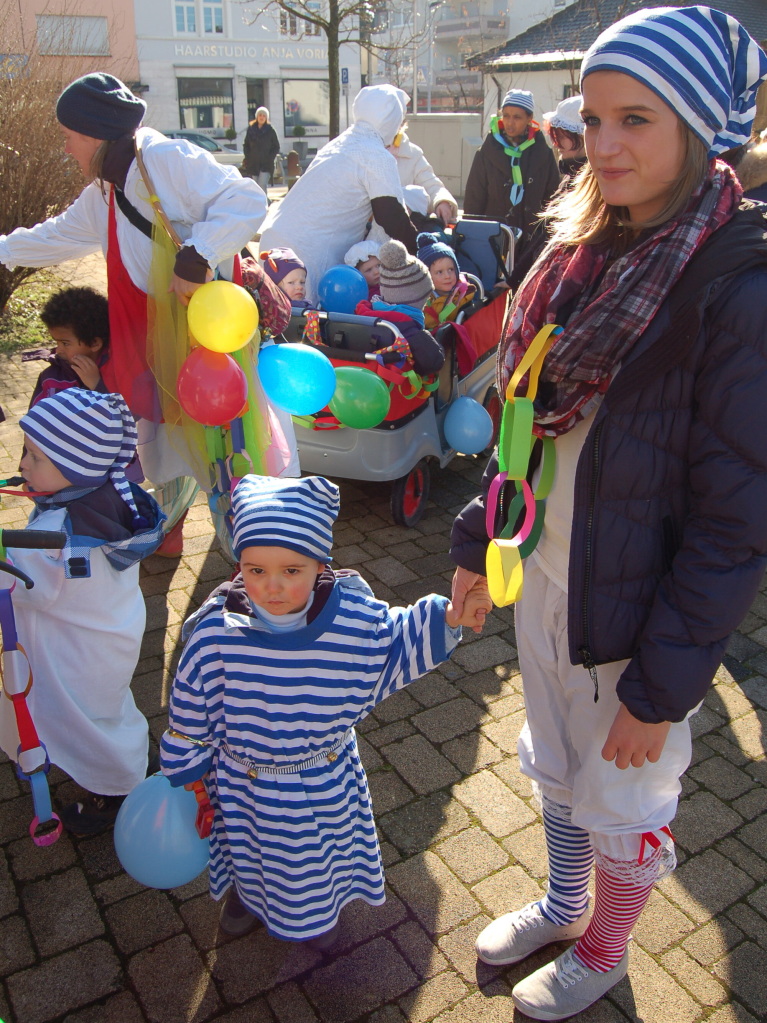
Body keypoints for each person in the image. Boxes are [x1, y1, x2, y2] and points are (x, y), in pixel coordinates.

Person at [450, 7, 767, 1019]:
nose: (604, 145)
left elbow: (733, 519)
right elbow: (520, 421)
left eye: (636, 119)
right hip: (545, 572)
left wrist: (661, 685)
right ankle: (559, 899)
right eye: (592, 119)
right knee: (551, 763)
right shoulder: (580, 246)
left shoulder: (735, 287)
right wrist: (472, 540)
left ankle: (607, 948)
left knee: (623, 792)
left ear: (698, 128)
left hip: (631, 619)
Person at [160, 474, 489, 943]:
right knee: (249, 847)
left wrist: (450, 617)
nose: (271, 586)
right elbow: (191, 706)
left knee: (312, 856)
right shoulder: (217, 632)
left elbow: (395, 640)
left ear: (320, 565)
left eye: (291, 570)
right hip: (242, 783)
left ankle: (316, 910)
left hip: (317, 783)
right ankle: (248, 895)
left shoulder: (350, 622)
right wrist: (186, 768)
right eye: (254, 570)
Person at [0, 72, 267, 557]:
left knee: (219, 448)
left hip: (204, 338)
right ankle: (170, 529)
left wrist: (197, 254)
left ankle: (249, 556)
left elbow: (245, 198)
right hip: (150, 338)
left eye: (67, 138)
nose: (64, 149)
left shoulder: (164, 159)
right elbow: (53, 236)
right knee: (161, 441)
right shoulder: (103, 191)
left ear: (93, 134)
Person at [0, 389, 165, 835]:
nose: (22, 466)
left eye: (35, 456)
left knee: (83, 722)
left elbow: (17, 585)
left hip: (74, 655)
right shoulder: (105, 495)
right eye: (25, 452)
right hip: (108, 635)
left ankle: (115, 792)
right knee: (107, 710)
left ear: (74, 468)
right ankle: (132, 762)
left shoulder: (56, 537)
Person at [258, 85, 418, 303]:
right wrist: (420, 249)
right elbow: (391, 217)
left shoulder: (339, 143)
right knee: (309, 323)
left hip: (277, 239)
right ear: (391, 121)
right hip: (309, 252)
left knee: (274, 319)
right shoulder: (375, 154)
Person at [463, 88, 560, 261]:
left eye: (517, 117)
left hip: (531, 242)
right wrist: (469, 237)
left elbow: (551, 198)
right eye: (506, 115)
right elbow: (474, 199)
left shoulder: (542, 154)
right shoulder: (488, 152)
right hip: (493, 240)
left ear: (530, 119)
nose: (510, 123)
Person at [509, 95, 588, 291]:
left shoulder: (589, 184)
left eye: (561, 136)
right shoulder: (570, 177)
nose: (556, 143)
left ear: (582, 137)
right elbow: (543, 234)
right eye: (554, 136)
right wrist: (514, 279)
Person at [354, 239, 446, 376]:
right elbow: (434, 362)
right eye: (425, 299)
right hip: (399, 390)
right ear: (417, 299)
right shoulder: (408, 328)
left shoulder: (365, 312)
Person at [26, 286, 110, 404]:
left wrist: (97, 385)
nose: (58, 350)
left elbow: (125, 417)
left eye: (65, 343)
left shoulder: (116, 373)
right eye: (56, 342)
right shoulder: (51, 378)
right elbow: (34, 419)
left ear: (94, 343)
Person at [387, 130, 458, 224]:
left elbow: (431, 185)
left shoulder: (411, 153)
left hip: (402, 229)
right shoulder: (363, 149)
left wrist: (442, 202)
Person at [416, 232, 476, 331]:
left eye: (451, 269)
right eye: (439, 272)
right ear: (426, 276)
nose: (447, 276)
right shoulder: (421, 298)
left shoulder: (463, 295)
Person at [242, 107, 281, 194]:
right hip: (253, 164)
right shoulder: (251, 130)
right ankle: (259, 204)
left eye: (264, 115)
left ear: (266, 118)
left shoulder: (270, 130)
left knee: (262, 184)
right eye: (260, 115)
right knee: (255, 186)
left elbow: (276, 147)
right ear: (257, 117)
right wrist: (248, 157)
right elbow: (246, 145)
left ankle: (264, 205)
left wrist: (270, 158)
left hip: (266, 164)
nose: (262, 117)